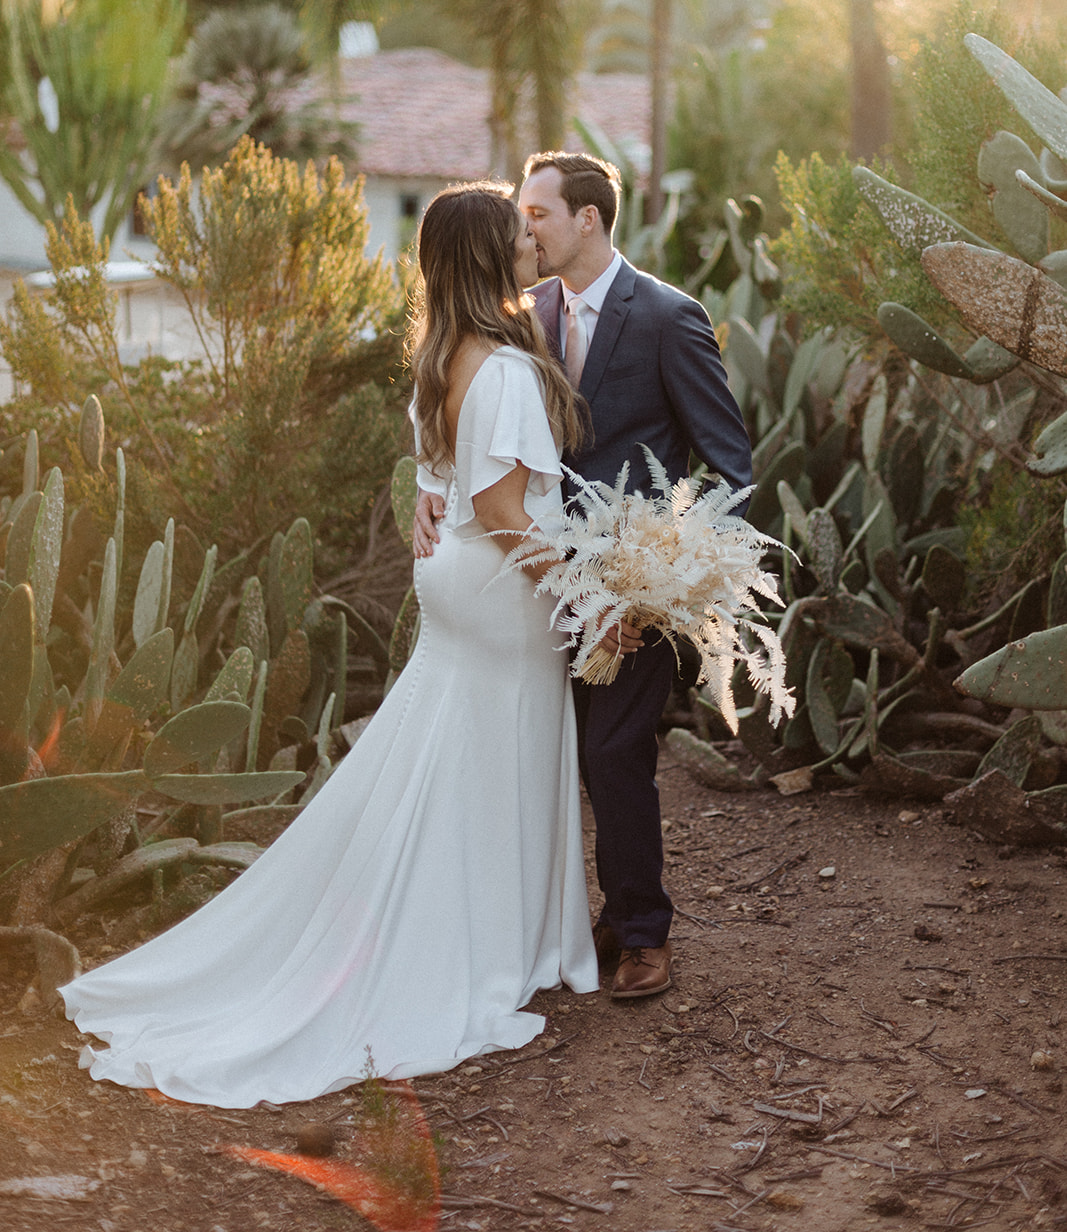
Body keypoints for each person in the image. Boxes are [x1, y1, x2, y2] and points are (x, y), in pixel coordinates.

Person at [60, 182, 598, 1107]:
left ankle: (494, 931)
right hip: (501, 584)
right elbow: (505, 511)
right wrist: (583, 593)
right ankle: (489, 944)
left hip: (456, 582)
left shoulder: (444, 354)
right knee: (494, 757)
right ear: (484, 257)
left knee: (452, 756)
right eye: (517, 238)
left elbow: (439, 478)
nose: (530, 249)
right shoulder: (506, 369)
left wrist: (457, 507)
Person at [415, 152, 752, 1003]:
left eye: (537, 212)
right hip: (529, 579)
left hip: (631, 589)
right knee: (548, 753)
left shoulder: (668, 318)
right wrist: (431, 488)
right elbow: (465, 411)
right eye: (519, 216)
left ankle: (641, 931)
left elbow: (727, 463)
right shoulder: (514, 314)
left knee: (611, 753)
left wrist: (679, 570)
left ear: (588, 218)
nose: (524, 228)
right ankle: (567, 922)